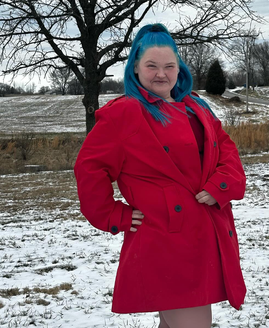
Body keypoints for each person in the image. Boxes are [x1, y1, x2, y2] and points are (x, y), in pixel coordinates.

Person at [74, 23, 247, 328]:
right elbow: (89, 167)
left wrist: (221, 185)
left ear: (179, 69)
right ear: (136, 69)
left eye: (170, 66)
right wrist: (114, 214)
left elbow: (227, 151)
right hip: (166, 242)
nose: (161, 74)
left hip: (205, 234)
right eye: (151, 65)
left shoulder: (196, 106)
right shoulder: (125, 113)